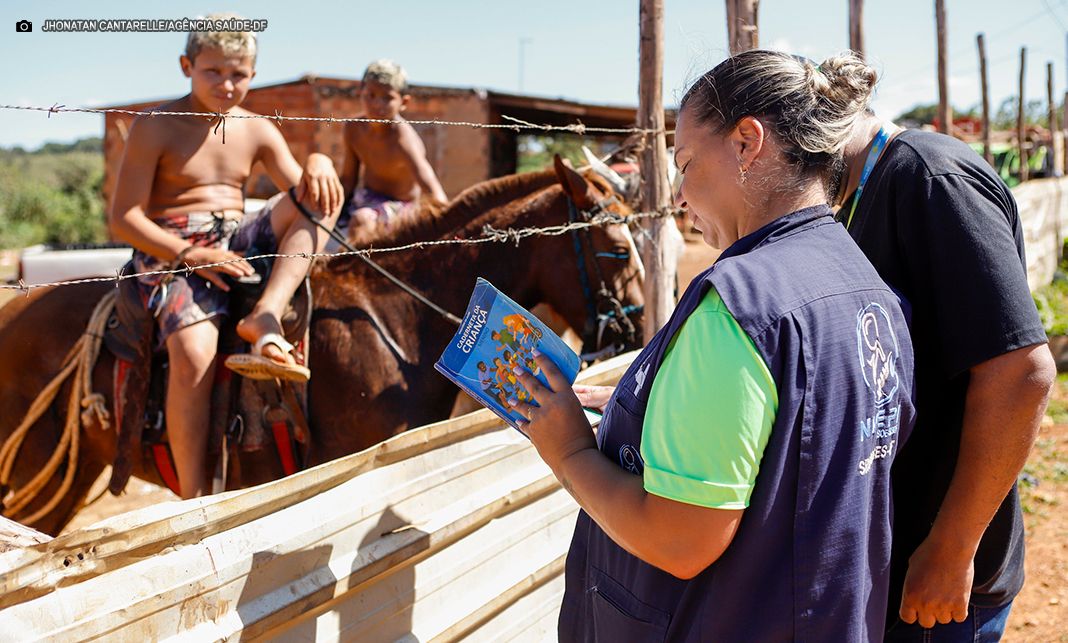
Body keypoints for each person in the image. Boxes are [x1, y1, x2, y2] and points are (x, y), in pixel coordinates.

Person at [510, 50, 917, 641]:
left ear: (747, 143)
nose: (679, 195)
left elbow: (680, 540)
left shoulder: (738, 307)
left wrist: (566, 448)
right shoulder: (866, 286)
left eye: (685, 163)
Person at [834, 97, 1057, 639]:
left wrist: (951, 549)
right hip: (907, 555)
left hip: (935, 576)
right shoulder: (870, 189)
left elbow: (1020, 372)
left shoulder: (930, 177)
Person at [108, 15, 344, 499]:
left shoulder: (256, 128)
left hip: (236, 237)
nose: (226, 84)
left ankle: (266, 315)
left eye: (238, 74)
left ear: (253, 75)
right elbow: (123, 218)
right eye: (212, 72)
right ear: (186, 66)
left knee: (319, 200)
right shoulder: (155, 126)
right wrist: (191, 254)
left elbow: (300, 190)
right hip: (171, 248)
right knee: (194, 352)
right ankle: (194, 497)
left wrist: (319, 161)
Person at [338, 59, 447, 238]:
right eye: (370, 95)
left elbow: (433, 191)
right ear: (360, 93)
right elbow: (348, 179)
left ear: (404, 101)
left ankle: (355, 265)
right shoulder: (353, 128)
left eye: (387, 98)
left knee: (362, 221)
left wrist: (449, 221)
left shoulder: (404, 140)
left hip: (400, 205)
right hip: (366, 198)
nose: (377, 104)